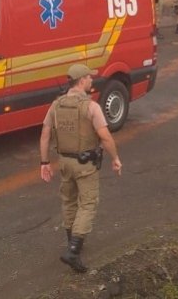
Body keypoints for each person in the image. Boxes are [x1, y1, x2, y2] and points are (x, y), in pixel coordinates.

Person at [39, 64, 122, 273]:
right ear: (81, 80)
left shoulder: (56, 106)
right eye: (89, 77)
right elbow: (105, 136)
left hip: (64, 163)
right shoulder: (90, 107)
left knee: (68, 202)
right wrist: (115, 158)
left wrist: (44, 162)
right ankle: (74, 251)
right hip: (85, 164)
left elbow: (45, 135)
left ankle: (71, 243)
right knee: (88, 204)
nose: (92, 80)